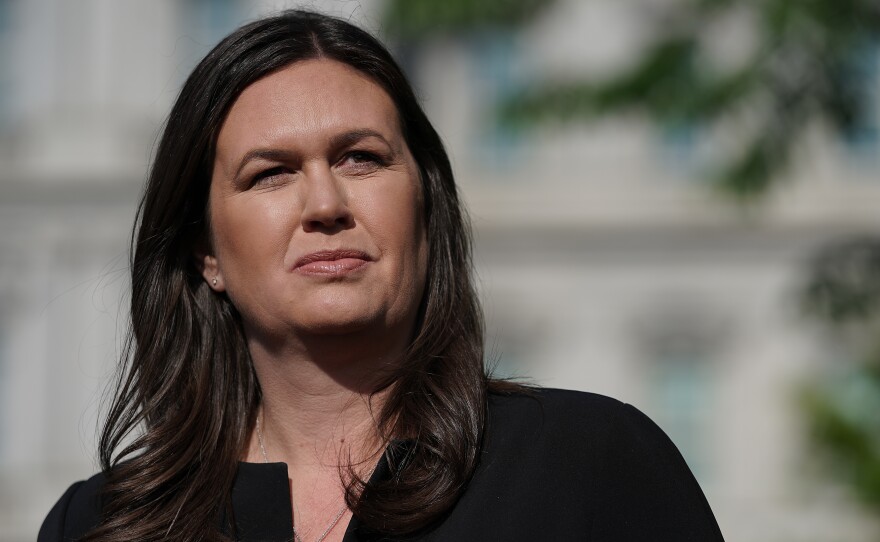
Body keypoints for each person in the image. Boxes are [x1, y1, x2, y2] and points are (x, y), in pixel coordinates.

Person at [39, 9, 724, 542]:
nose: (327, 205)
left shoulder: (589, 466)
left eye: (361, 158)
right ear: (205, 252)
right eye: (271, 174)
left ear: (424, 204)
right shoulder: (100, 524)